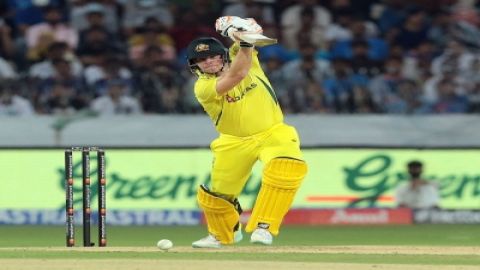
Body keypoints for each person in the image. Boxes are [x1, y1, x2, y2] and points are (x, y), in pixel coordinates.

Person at [185, 16, 308, 248]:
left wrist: (239, 27)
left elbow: (254, 30)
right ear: (195, 65)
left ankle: (264, 227)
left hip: (273, 132)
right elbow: (237, 75)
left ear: (222, 55)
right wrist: (245, 41)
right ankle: (221, 235)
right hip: (233, 142)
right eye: (202, 59)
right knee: (218, 196)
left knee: (285, 168)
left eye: (213, 56)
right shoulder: (203, 87)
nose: (209, 62)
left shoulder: (243, 56)